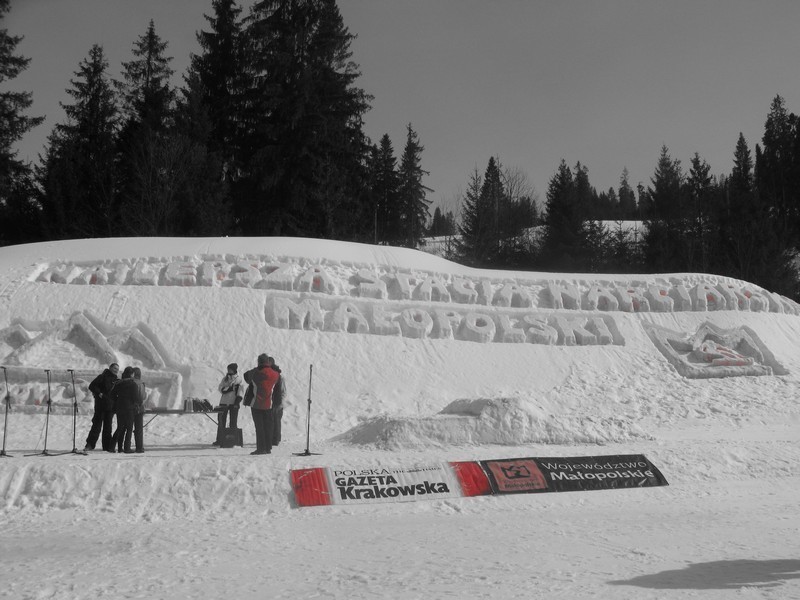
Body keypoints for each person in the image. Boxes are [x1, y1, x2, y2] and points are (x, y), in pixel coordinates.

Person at [244, 353, 279, 455]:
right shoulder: (275, 374)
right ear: (268, 361)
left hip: (256, 403)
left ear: (259, 362)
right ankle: (268, 448)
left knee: (259, 427)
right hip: (269, 404)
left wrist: (257, 368)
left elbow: (246, 376)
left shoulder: (255, 372)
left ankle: (261, 448)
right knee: (268, 426)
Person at [84, 362, 119, 452]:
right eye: (115, 368)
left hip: (110, 408)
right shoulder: (102, 377)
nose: (116, 370)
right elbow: (92, 386)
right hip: (100, 406)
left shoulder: (117, 380)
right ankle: (90, 445)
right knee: (96, 426)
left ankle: (107, 447)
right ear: (110, 368)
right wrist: (98, 393)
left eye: (117, 369)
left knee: (108, 428)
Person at [110, 367, 139, 454]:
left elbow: (112, 394)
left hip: (119, 407)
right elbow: (136, 398)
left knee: (120, 427)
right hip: (129, 408)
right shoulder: (133, 384)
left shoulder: (119, 383)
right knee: (129, 428)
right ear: (131, 374)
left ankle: (113, 446)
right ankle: (127, 448)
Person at [214, 363, 243, 446]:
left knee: (233, 422)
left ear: (234, 370)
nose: (228, 370)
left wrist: (237, 402)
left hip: (233, 403)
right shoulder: (225, 379)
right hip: (223, 402)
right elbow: (220, 388)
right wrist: (231, 388)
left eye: (230, 369)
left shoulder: (238, 379)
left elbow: (240, 392)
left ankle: (232, 440)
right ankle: (219, 439)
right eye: (228, 369)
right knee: (221, 421)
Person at [267, 357, 286, 447]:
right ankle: (270, 438)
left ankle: (276, 439)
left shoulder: (280, 377)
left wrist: (281, 403)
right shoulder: (267, 375)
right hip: (268, 402)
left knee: (276, 421)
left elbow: (283, 391)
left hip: (277, 402)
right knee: (270, 421)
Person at [131, 367, 147, 453]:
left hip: (129, 407)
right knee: (139, 429)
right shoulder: (141, 383)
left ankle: (125, 446)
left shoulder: (129, 382)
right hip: (139, 408)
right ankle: (139, 447)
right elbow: (142, 397)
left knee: (127, 428)